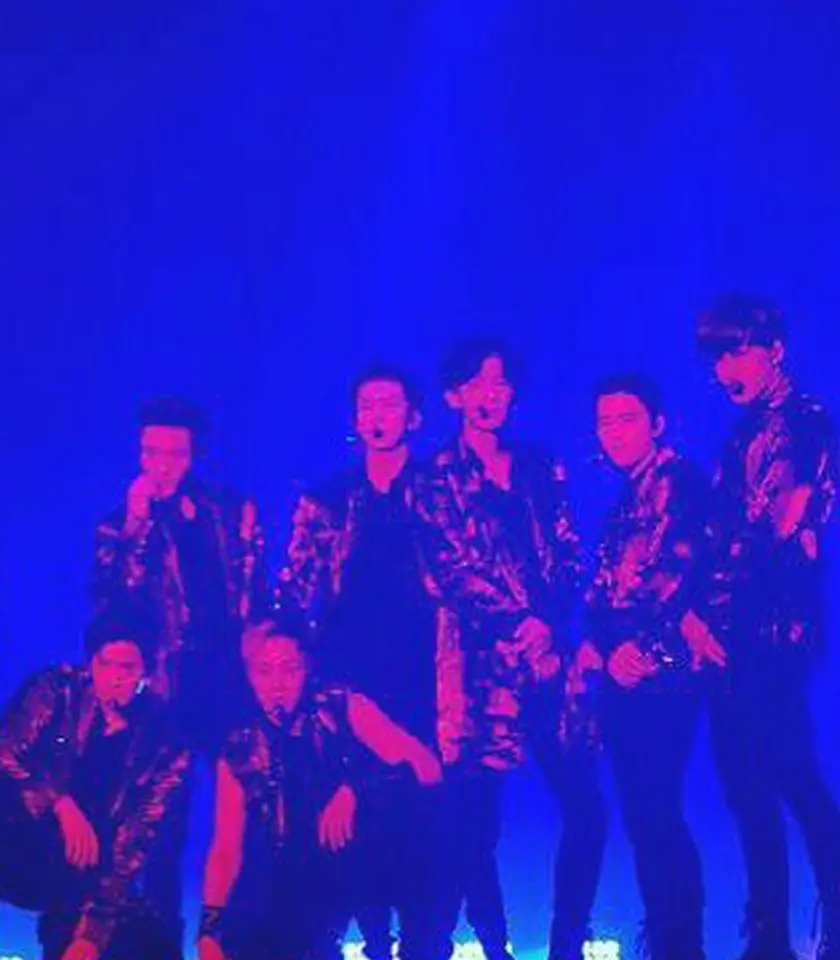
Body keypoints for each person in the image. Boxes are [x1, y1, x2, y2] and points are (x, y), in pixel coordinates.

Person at [417, 338, 607, 960]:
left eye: (499, 384)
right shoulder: (435, 478)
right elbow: (450, 568)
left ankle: (566, 943)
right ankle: (491, 945)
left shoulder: (539, 466)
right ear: (454, 396)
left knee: (587, 807)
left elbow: (569, 550)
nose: (490, 395)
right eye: (477, 384)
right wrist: (520, 621)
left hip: (549, 664)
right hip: (479, 674)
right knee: (475, 823)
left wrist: (548, 622)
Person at [276, 364, 446, 959]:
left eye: (389, 403)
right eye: (367, 405)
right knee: (356, 828)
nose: (377, 415)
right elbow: (293, 592)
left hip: (428, 676)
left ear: (413, 416)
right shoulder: (327, 500)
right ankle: (372, 942)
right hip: (348, 678)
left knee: (425, 822)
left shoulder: (442, 492)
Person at [91, 396, 267, 945]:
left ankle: (231, 939)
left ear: (194, 455)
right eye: (151, 452)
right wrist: (137, 524)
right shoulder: (120, 525)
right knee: (161, 831)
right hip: (162, 693)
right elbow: (111, 604)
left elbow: (256, 595)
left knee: (247, 818)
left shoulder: (230, 512)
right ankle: (162, 943)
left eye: (174, 453)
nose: (161, 465)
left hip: (228, 685)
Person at [695, 296, 840, 960]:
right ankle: (769, 934)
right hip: (739, 631)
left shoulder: (804, 425)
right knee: (753, 786)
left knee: (789, 777)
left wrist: (706, 609)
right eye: (718, 356)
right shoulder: (743, 432)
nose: (726, 368)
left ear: (773, 350)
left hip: (772, 629)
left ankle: (797, 931)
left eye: (737, 351)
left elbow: (774, 530)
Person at [196, 615, 447, 960]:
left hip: (369, 857)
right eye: (264, 672)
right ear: (249, 676)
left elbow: (426, 768)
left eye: (290, 669)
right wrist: (209, 928)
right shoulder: (241, 745)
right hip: (290, 880)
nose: (278, 685)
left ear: (306, 668)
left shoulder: (340, 706)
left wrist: (357, 789)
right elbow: (226, 846)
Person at [0, 608, 190, 960]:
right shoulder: (58, 691)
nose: (115, 678)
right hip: (26, 837)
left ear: (146, 674)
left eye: (127, 668)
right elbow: (1, 754)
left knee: (153, 947)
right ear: (91, 663)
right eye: (106, 665)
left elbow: (136, 837)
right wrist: (59, 802)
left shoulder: (163, 743)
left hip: (99, 867)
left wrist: (92, 932)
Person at [585, 374, 711, 959]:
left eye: (627, 419)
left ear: (657, 423)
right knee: (644, 815)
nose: (614, 432)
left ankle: (678, 940)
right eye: (605, 422)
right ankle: (666, 933)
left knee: (657, 812)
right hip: (624, 678)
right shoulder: (622, 504)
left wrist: (639, 646)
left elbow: (685, 579)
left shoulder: (681, 485)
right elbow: (601, 596)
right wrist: (604, 646)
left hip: (664, 676)